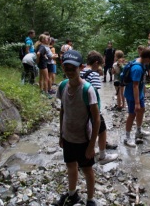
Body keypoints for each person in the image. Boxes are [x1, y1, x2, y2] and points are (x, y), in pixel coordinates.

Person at [56, 50, 100, 206]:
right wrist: (61, 134)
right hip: (68, 136)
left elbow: (96, 119)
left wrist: (91, 145)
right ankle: (72, 194)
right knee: (70, 165)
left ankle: (90, 199)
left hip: (83, 139)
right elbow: (63, 110)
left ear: (80, 68)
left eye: (72, 68)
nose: (69, 71)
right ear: (62, 67)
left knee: (87, 170)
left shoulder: (88, 90)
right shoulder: (62, 86)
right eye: (66, 68)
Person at [80, 50, 118, 164]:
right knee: (102, 131)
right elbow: (94, 92)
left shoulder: (80, 72)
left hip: (79, 107)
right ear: (96, 63)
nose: (99, 67)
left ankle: (82, 154)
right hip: (92, 108)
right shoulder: (94, 74)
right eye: (100, 65)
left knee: (85, 131)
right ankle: (102, 155)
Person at [123, 48, 150, 147]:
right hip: (132, 95)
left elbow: (142, 82)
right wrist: (137, 102)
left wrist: (143, 94)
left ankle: (139, 130)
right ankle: (127, 137)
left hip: (139, 94)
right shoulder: (137, 68)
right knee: (132, 114)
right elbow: (135, 85)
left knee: (142, 110)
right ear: (146, 58)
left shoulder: (142, 63)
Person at [35, 34, 51, 98]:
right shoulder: (42, 46)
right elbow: (38, 53)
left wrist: (44, 56)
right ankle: (46, 92)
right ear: (43, 40)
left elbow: (40, 53)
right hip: (43, 64)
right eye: (47, 39)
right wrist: (38, 60)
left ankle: (41, 90)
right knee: (46, 78)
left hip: (41, 63)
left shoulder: (39, 46)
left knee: (41, 77)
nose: (48, 40)